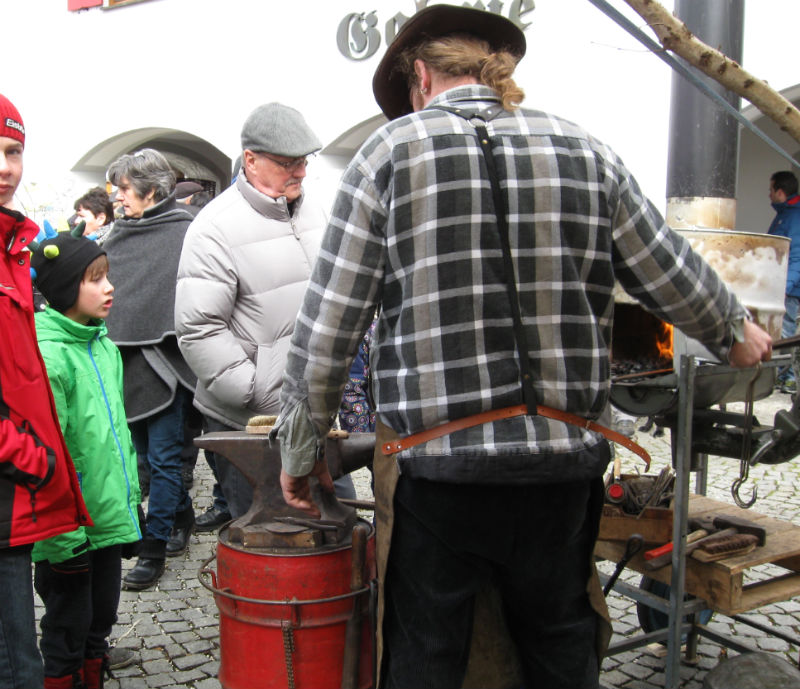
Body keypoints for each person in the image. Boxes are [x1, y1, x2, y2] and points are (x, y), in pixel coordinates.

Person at [273, 7, 773, 689]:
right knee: (560, 645)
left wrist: (298, 454)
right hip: (562, 469)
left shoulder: (388, 155)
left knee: (426, 653)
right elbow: (668, 270)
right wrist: (734, 330)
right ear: (495, 67)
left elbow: (328, 325)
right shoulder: (584, 149)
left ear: (420, 74)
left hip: (440, 476)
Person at [175, 102, 354, 531]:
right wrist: (258, 392)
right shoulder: (213, 228)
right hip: (250, 424)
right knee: (264, 540)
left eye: (303, 162)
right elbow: (199, 329)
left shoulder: (315, 211)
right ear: (251, 160)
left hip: (310, 411)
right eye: (287, 162)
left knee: (335, 529)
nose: (300, 172)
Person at [0, 92, 91, 689]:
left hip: (13, 491)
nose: (7, 167)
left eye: (14, 151)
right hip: (8, 481)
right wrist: (27, 455)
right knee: (17, 668)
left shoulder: (13, 248)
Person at [30, 234, 142, 689]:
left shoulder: (104, 347)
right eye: (95, 280)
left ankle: (94, 674)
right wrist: (60, 541)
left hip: (105, 519)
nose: (109, 287)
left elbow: (117, 442)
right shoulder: (49, 357)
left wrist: (129, 506)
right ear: (63, 289)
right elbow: (45, 456)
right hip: (67, 531)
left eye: (108, 276)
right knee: (66, 626)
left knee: (100, 619)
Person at [103, 148, 197, 590]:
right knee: (142, 457)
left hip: (166, 365)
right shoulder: (117, 236)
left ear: (152, 191)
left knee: (162, 459)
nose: (118, 197)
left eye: (124, 189)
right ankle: (181, 515)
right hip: (124, 363)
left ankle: (153, 547)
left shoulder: (187, 233)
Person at [767, 170, 800, 393]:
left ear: (780, 191)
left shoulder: (794, 216)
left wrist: (785, 288)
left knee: (786, 332)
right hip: (783, 284)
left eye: (770, 190)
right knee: (782, 331)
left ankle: (788, 378)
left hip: (789, 287)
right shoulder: (785, 213)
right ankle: (783, 375)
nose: (768, 194)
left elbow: (797, 256)